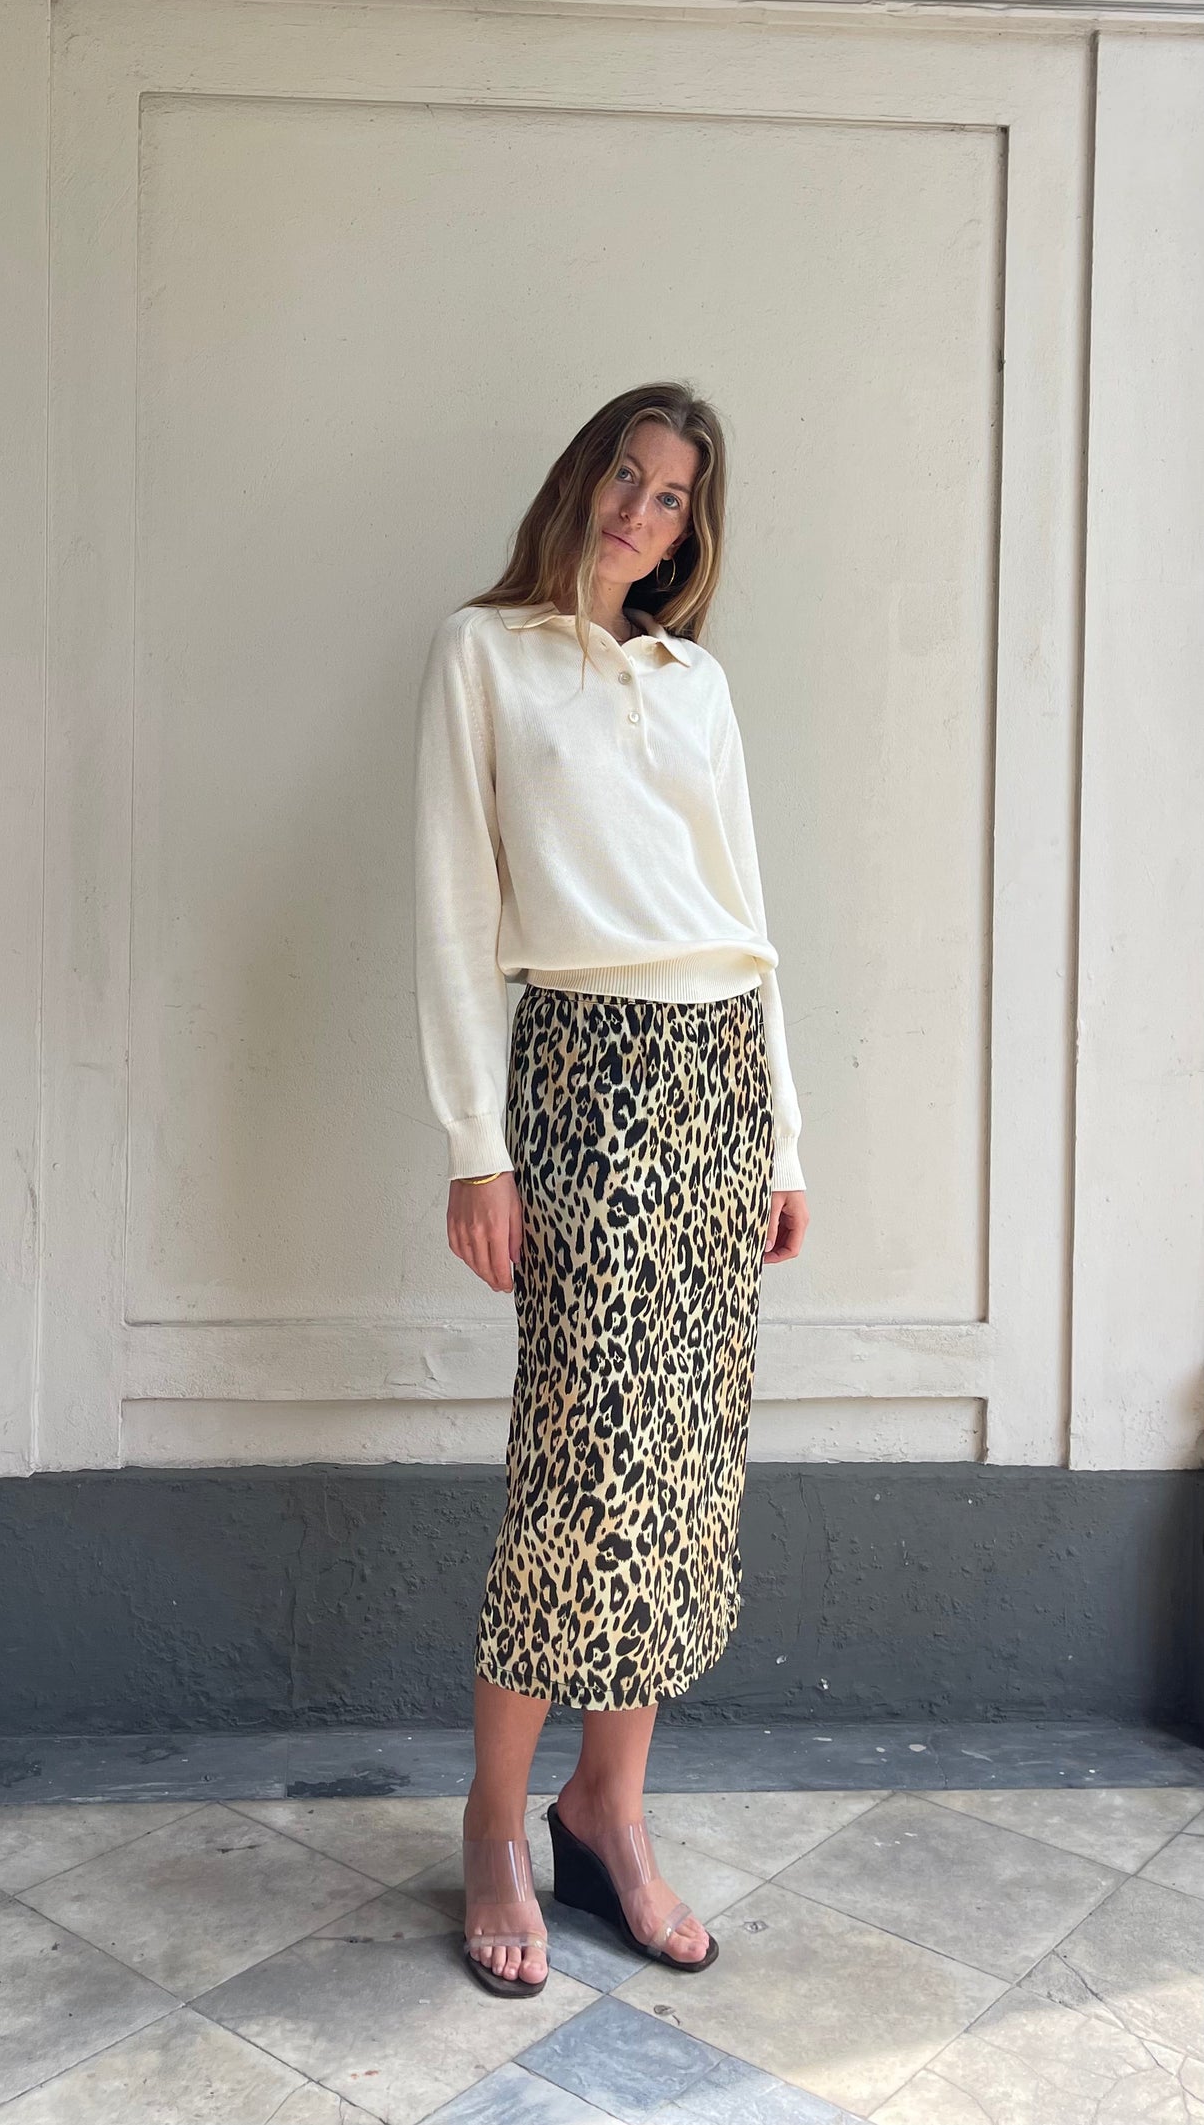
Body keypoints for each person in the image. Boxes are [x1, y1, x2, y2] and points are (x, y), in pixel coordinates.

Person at [412, 380, 810, 1996]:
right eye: (626, 478)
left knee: (685, 1469)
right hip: (582, 1070)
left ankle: (609, 1810)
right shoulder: (483, 654)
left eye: (672, 499)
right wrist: (474, 1142)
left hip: (718, 1075)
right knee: (579, 1465)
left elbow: (747, 916)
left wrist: (785, 1138)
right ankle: (494, 1818)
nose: (641, 514)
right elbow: (454, 905)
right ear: (581, 476)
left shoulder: (693, 681)